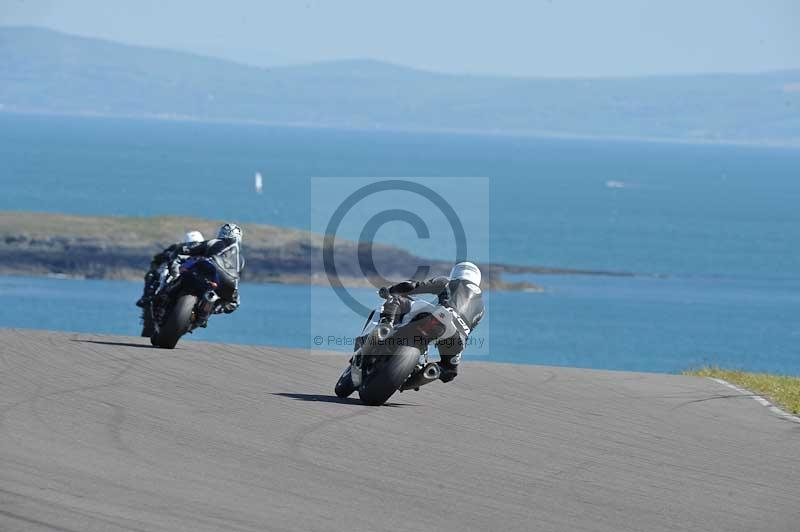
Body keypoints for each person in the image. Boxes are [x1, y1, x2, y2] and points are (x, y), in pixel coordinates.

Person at [378, 261, 485, 383]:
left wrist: (391, 290)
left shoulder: (448, 282)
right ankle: (429, 371)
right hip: (457, 338)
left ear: (456, 273)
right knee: (449, 371)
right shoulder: (482, 308)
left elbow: (413, 286)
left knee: (398, 298)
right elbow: (469, 331)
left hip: (440, 317)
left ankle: (385, 325)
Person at [165, 223, 243, 320]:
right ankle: (207, 311)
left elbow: (189, 248)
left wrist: (178, 252)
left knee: (182, 272)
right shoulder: (240, 259)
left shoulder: (215, 242)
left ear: (221, 233)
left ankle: (169, 297)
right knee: (234, 303)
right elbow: (238, 277)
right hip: (227, 284)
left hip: (209, 273)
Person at [136, 230, 205, 309]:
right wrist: (166, 256)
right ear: (185, 243)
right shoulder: (177, 247)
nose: (194, 247)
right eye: (191, 244)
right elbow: (158, 259)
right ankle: (147, 296)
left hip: (196, 273)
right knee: (155, 274)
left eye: (197, 244)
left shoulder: (207, 248)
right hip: (178, 269)